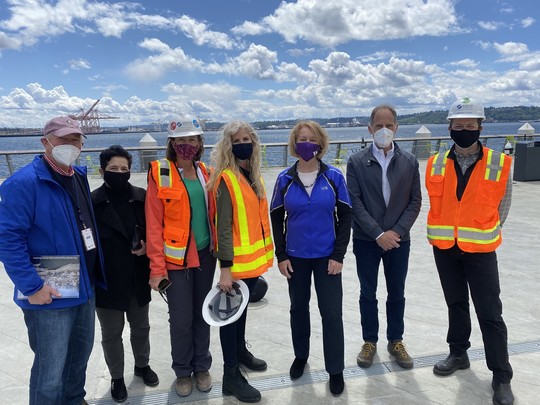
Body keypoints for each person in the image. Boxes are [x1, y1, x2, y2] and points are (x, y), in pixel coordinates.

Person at [0, 116, 106, 405]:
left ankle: (74, 400)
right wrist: (32, 287)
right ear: (45, 142)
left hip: (84, 288)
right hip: (48, 292)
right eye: (62, 139)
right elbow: (8, 240)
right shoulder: (22, 183)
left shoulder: (78, 176)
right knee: (50, 370)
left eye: (75, 139)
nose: (70, 145)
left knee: (79, 358)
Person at [426, 97, 514, 405]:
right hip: (445, 248)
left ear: (480, 127)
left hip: (480, 249)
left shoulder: (498, 162)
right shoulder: (436, 162)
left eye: (470, 125)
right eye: (458, 126)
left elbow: (503, 206)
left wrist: (481, 229)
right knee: (456, 304)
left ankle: (502, 376)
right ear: (449, 128)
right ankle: (458, 353)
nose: (464, 130)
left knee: (490, 314)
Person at [270, 121, 351, 396]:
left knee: (331, 313)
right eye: (302, 139)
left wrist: (338, 255)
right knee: (298, 309)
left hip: (328, 257)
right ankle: (301, 356)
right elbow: (276, 218)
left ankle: (336, 369)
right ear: (294, 144)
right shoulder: (284, 179)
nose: (307, 144)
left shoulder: (334, 177)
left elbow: (346, 217)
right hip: (296, 258)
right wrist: (281, 255)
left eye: (311, 139)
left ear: (320, 144)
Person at [145, 117, 217, 398]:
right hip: (175, 263)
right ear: (172, 143)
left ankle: (202, 367)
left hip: (205, 257)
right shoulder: (160, 172)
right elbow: (153, 223)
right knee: (181, 319)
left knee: (203, 315)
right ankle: (183, 372)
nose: (187, 145)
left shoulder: (207, 172)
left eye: (192, 140)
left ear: (200, 143)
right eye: (181, 140)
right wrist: (156, 267)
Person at [346, 104, 421, 370]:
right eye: (379, 126)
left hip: (400, 241)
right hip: (367, 240)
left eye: (389, 125)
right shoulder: (356, 161)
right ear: (370, 128)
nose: (384, 130)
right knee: (368, 293)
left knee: (396, 292)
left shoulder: (410, 161)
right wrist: (378, 234)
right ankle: (370, 341)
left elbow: (415, 201)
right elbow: (354, 203)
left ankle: (396, 340)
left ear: (397, 128)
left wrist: (395, 232)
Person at [206, 120, 274, 403]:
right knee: (229, 319)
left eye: (247, 138)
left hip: (250, 263)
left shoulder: (252, 174)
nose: (243, 144)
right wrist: (225, 269)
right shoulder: (225, 178)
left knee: (241, 312)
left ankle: (241, 354)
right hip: (233, 266)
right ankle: (230, 376)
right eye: (237, 140)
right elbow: (223, 228)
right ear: (228, 146)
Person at [91, 145, 158, 403]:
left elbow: (155, 232)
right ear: (102, 171)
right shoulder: (93, 202)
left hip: (136, 276)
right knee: (111, 333)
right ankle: (117, 378)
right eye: (113, 169)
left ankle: (142, 365)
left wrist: (148, 250)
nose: (119, 173)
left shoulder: (142, 197)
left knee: (141, 326)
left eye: (124, 169)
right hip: (107, 280)